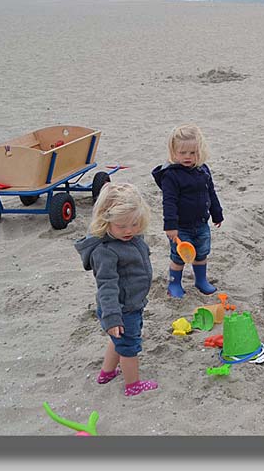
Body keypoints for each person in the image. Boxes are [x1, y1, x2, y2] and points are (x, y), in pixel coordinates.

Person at [75, 182, 158, 397]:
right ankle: (133, 385)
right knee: (129, 346)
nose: (129, 230)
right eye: (122, 226)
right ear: (106, 222)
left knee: (117, 340)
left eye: (134, 223)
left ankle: (107, 372)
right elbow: (107, 286)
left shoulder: (130, 237)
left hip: (131, 303)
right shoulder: (105, 252)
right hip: (120, 309)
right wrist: (113, 318)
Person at [151, 123, 224, 298]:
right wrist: (170, 225)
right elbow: (169, 202)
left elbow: (210, 192)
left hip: (201, 223)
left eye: (193, 153)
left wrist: (217, 213)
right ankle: (174, 284)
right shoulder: (171, 176)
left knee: (201, 253)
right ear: (173, 152)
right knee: (178, 257)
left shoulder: (202, 170)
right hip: (180, 227)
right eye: (182, 153)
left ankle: (201, 280)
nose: (188, 157)